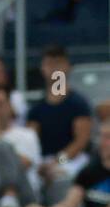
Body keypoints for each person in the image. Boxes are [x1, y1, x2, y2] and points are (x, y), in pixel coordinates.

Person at [23, 121, 110, 207]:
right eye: (102, 137)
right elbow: (71, 201)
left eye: (107, 138)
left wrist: (58, 160)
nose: (102, 142)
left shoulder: (76, 106)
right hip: (57, 163)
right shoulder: (91, 169)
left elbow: (75, 149)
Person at [27, 46, 93, 193]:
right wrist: (42, 165)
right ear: (42, 68)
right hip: (43, 160)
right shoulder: (36, 109)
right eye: (50, 63)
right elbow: (31, 142)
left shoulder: (78, 105)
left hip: (70, 160)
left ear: (68, 67)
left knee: (62, 176)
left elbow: (80, 142)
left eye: (59, 63)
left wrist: (58, 161)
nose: (54, 68)